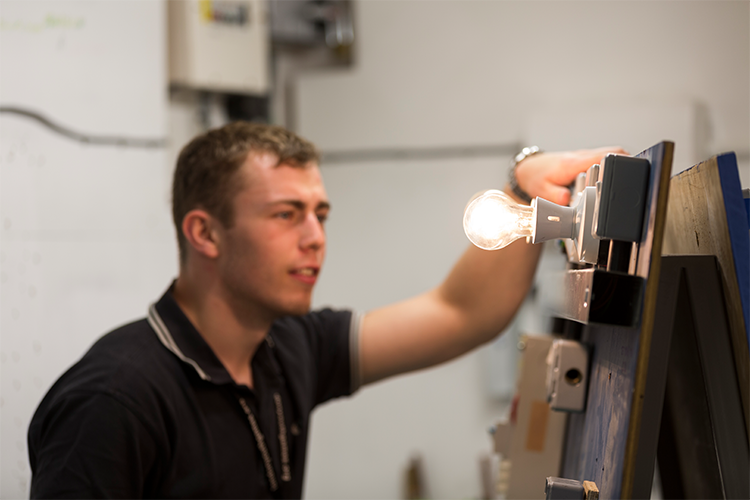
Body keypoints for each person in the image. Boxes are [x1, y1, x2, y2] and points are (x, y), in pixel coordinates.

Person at [27, 122, 624, 498]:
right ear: (205, 233)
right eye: (286, 214)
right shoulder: (113, 401)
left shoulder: (288, 346)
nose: (315, 237)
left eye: (321, 214)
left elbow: (461, 313)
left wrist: (525, 194)